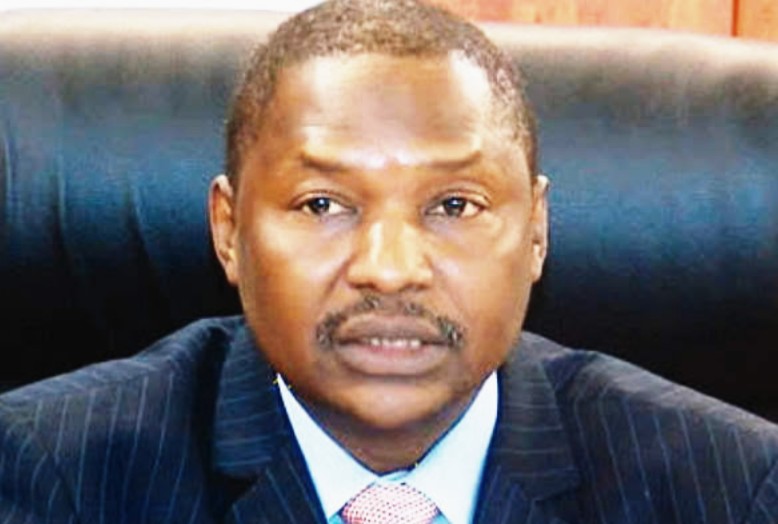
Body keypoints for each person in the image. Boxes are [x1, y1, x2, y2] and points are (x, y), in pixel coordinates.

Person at [1, 0, 777, 522]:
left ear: (536, 231)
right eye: (323, 205)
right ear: (229, 232)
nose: (391, 268)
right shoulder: (50, 475)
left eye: (454, 206)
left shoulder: (729, 487)